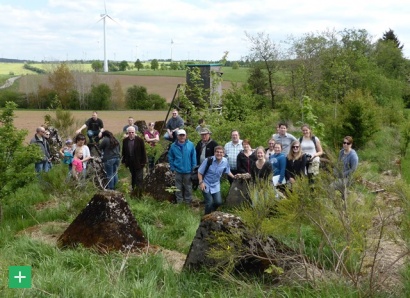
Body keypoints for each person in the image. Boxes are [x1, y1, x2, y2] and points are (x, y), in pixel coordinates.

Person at [198, 146, 235, 215]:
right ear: (214, 153)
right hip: (206, 184)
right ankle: (206, 217)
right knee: (209, 202)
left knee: (218, 202)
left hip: (215, 184)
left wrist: (234, 177)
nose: (219, 154)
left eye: (221, 152)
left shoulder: (225, 161)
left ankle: (211, 212)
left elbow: (227, 171)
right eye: (217, 152)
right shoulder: (208, 160)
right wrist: (201, 182)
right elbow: (200, 172)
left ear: (223, 154)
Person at [168, 129, 197, 204]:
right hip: (177, 170)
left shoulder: (190, 144)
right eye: (180, 135)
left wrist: (194, 169)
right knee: (178, 187)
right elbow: (171, 157)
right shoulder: (173, 146)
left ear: (186, 135)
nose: (182, 137)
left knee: (188, 187)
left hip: (188, 170)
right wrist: (172, 167)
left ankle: (188, 201)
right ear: (177, 136)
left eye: (183, 135)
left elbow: (193, 157)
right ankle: (179, 202)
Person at [122, 126, 147, 197]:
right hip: (130, 162)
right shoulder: (125, 141)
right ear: (127, 133)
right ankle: (133, 191)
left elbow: (143, 152)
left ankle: (140, 193)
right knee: (133, 176)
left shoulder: (140, 140)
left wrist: (143, 162)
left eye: (132, 132)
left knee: (139, 178)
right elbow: (124, 151)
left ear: (135, 132)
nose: (131, 134)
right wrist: (124, 161)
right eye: (129, 132)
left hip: (139, 162)